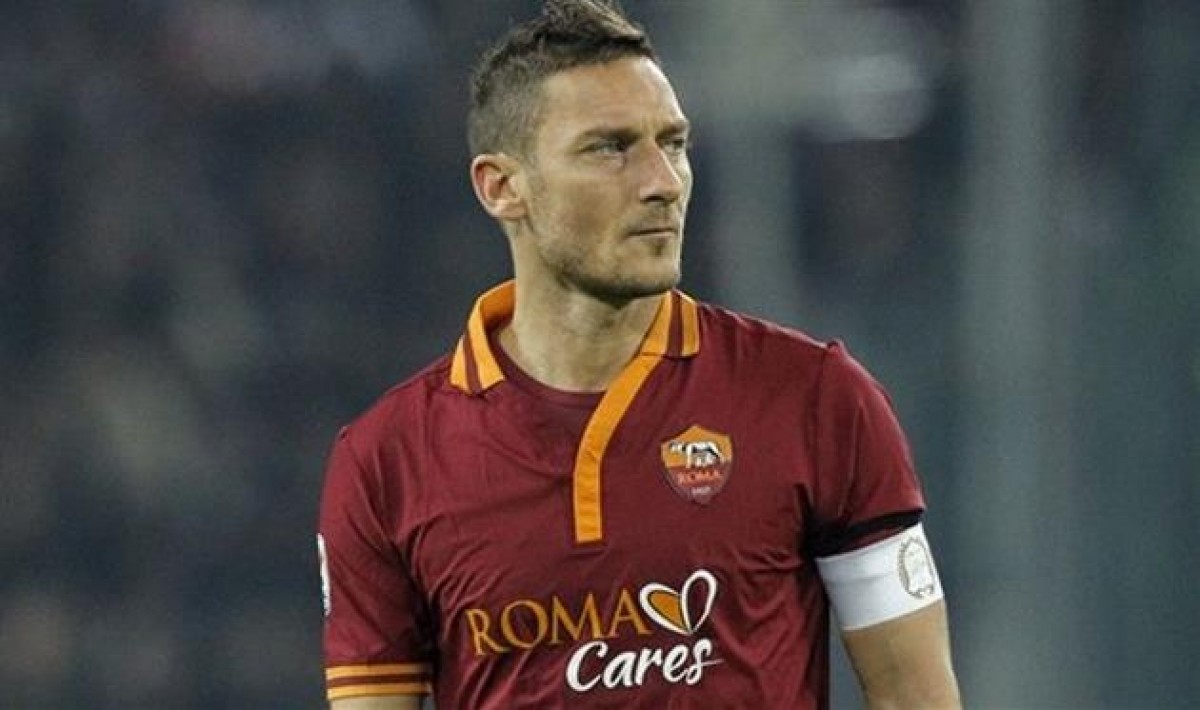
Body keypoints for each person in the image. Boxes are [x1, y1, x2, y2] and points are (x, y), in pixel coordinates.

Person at [316, 1, 961, 707]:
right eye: (610, 148)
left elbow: (916, 695)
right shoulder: (386, 461)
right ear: (502, 187)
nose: (663, 182)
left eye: (673, 143)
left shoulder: (817, 399)